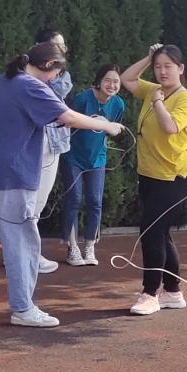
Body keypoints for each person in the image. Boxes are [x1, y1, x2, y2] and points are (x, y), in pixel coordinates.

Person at [0, 40, 125, 329]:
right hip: (12, 177)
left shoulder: (5, 80)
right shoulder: (30, 86)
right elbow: (67, 117)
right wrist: (106, 125)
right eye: (56, 73)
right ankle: (23, 309)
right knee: (23, 245)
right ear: (49, 65)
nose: (54, 80)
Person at [120, 44, 187, 315]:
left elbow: (170, 127)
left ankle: (150, 293)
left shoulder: (185, 98)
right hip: (149, 175)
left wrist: (157, 102)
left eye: (168, 66)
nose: (162, 72)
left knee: (151, 232)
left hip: (173, 177)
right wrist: (147, 57)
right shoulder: (154, 89)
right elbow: (127, 79)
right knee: (160, 234)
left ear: (180, 69)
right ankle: (173, 292)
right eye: (158, 66)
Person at [60, 64, 126, 267]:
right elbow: (67, 122)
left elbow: (112, 129)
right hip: (73, 156)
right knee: (74, 199)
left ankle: (90, 246)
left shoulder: (118, 104)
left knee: (95, 201)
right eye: (108, 80)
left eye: (116, 81)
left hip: (97, 158)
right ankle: (72, 247)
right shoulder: (82, 99)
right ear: (98, 81)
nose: (112, 85)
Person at [32, 28, 72, 274]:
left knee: (37, 201)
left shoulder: (61, 76)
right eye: (57, 45)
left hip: (52, 144)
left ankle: (23, 252)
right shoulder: (32, 77)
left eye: (64, 46)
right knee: (32, 202)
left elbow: (61, 90)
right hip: (37, 144)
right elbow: (54, 96)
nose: (63, 50)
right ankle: (28, 255)